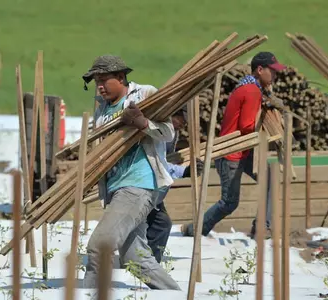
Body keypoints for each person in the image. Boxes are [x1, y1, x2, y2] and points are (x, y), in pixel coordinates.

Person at [82, 54, 181, 290]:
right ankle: (174, 295)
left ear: (121, 77)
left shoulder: (145, 94)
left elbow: (168, 133)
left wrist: (142, 123)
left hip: (140, 183)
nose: (100, 86)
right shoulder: (102, 111)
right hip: (117, 188)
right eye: (96, 81)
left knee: (100, 247)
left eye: (104, 80)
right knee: (135, 258)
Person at [181, 51, 286, 239]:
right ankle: (194, 230)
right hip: (232, 153)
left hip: (243, 152)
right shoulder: (252, 91)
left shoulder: (250, 87)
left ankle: (262, 227)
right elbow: (247, 126)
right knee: (229, 202)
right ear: (260, 70)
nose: (275, 75)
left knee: (270, 180)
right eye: (272, 71)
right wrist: (267, 118)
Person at [146, 107, 204, 263]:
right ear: (172, 114)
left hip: (155, 185)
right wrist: (184, 171)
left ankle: (147, 261)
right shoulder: (159, 130)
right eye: (182, 121)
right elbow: (158, 163)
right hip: (145, 184)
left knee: (158, 224)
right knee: (159, 224)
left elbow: (165, 162)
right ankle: (146, 263)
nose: (182, 126)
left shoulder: (172, 132)